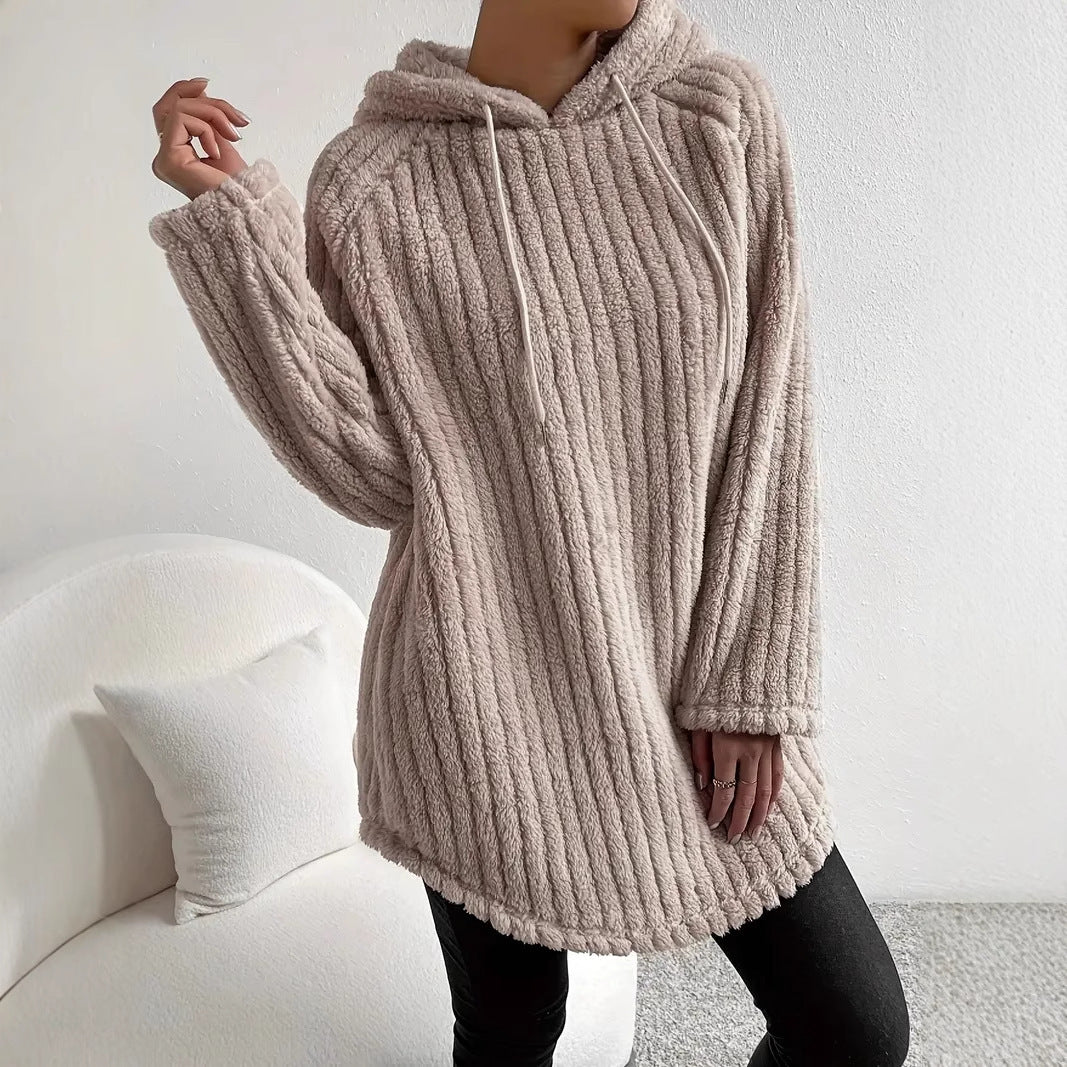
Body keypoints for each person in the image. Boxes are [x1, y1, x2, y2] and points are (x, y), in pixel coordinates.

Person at [147, 0, 910, 1063]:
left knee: (853, 1027)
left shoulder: (715, 113)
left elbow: (771, 415)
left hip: (690, 689)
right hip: (482, 705)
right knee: (512, 1032)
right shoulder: (373, 181)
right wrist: (239, 231)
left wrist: (748, 679)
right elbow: (371, 473)